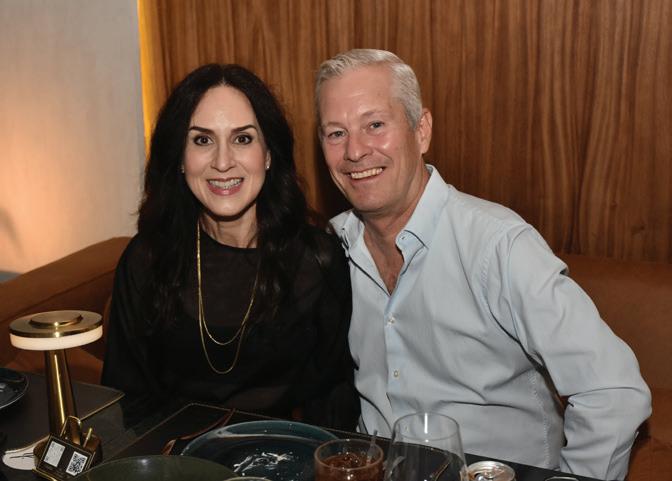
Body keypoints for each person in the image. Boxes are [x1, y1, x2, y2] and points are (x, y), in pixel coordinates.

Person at [314, 49, 651, 480]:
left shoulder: (498, 247)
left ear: (421, 130)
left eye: (375, 125)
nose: (355, 151)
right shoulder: (328, 248)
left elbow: (614, 393)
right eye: (336, 133)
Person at [102, 64, 358, 429]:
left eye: (243, 139)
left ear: (268, 154)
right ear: (179, 157)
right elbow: (126, 402)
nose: (222, 162)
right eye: (202, 140)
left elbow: (334, 407)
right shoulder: (147, 261)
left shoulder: (317, 262)